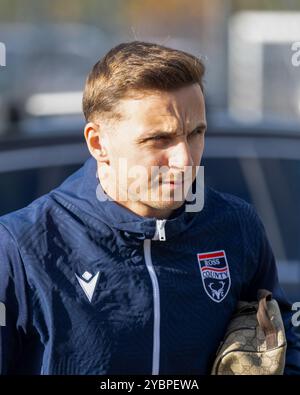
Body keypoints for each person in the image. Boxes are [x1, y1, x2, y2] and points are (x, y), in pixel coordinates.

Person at [0, 41, 299, 375]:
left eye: (196, 133)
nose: (185, 159)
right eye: (159, 139)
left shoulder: (237, 227)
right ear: (98, 143)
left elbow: (287, 347)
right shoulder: (21, 246)